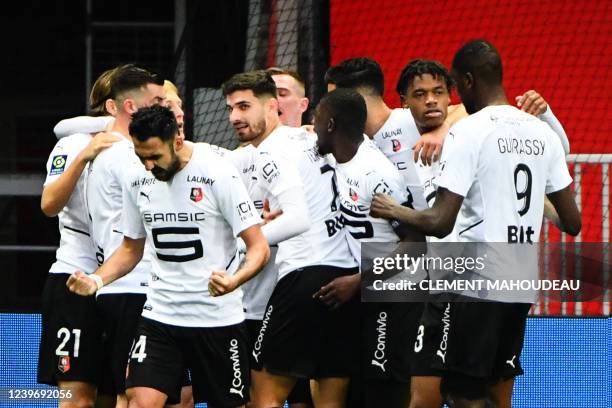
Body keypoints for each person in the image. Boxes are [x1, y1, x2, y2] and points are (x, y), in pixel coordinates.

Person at [371, 39, 581, 408]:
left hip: (472, 283)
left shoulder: (467, 132)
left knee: (461, 394)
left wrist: (392, 210)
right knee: (464, 392)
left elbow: (438, 221)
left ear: (465, 83)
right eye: (422, 94)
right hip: (518, 283)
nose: (437, 100)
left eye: (445, 89)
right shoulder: (539, 132)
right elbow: (573, 222)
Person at [67, 105, 269, 408]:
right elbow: (130, 249)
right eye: (141, 156)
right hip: (160, 315)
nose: (148, 165)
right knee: (140, 401)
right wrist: (97, 279)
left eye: (155, 157)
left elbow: (258, 247)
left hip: (217, 319)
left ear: (176, 141)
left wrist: (234, 279)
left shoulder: (217, 172)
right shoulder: (136, 177)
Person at [222, 70, 359, 408]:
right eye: (230, 108)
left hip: (302, 278)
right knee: (328, 397)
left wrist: (241, 244)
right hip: (342, 274)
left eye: (244, 106)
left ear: (272, 107)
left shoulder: (272, 153)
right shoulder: (308, 140)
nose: (235, 117)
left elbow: (298, 218)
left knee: (262, 397)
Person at [313, 87, 428, 408]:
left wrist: (358, 281)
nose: (313, 126)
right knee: (353, 390)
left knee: (384, 392)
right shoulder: (331, 163)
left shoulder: (377, 174)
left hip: (392, 294)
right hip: (357, 292)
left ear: (332, 125)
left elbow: (415, 244)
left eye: (317, 119)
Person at [37, 67, 120, 408]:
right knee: (76, 398)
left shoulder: (146, 149)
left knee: (117, 396)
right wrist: (85, 156)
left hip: (124, 285)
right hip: (74, 279)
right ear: (117, 105)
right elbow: (49, 204)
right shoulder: (72, 143)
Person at [85, 64, 165, 408]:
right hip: (135, 286)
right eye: (157, 100)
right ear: (131, 107)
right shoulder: (128, 156)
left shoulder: (103, 149)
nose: (164, 108)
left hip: (123, 288)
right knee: (131, 395)